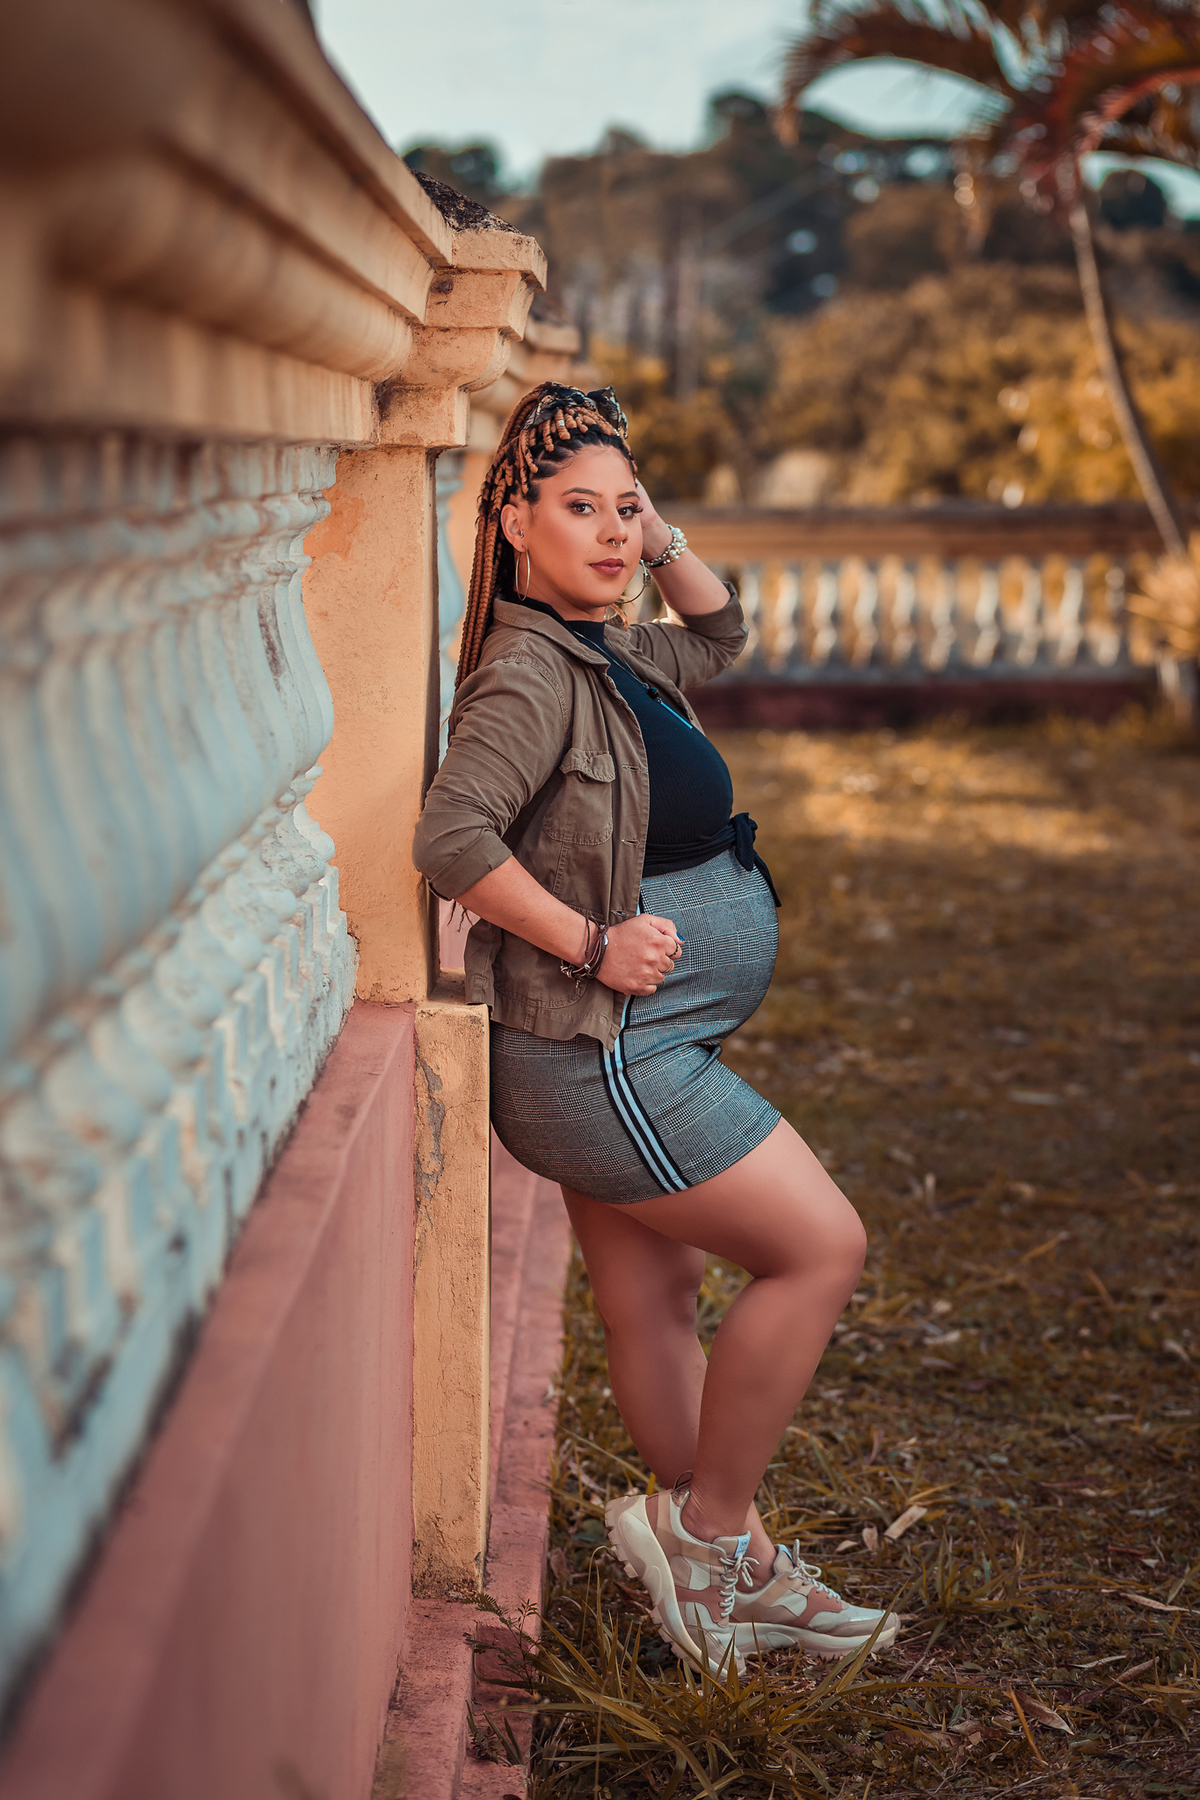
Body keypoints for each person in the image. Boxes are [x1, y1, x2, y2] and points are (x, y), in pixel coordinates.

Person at [413, 382, 899, 1679]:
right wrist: (591, 940)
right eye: (579, 509)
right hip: (601, 1052)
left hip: (626, 1049)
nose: (615, 534)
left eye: (626, 510)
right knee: (821, 1247)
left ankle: (725, 1573)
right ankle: (711, 1530)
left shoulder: (612, 649)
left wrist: (651, 530)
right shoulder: (532, 674)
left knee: (655, 1299)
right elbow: (450, 837)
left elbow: (723, 633)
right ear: (512, 522)